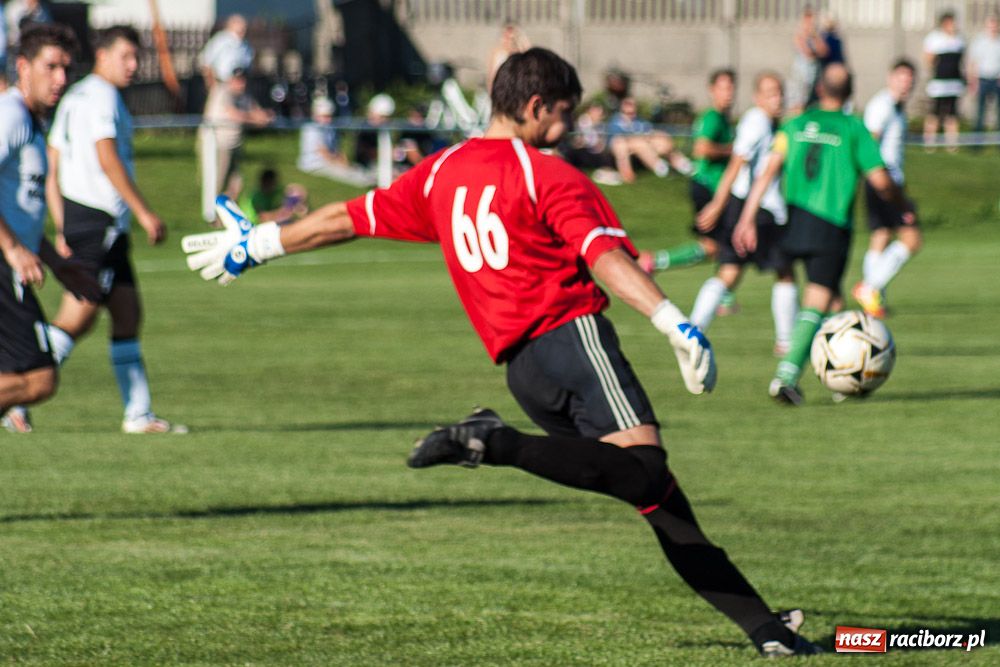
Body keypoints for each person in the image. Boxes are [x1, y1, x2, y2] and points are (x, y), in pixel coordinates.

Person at [183, 47, 820, 657]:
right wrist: (674, 321)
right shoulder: (545, 174)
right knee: (647, 475)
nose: (569, 128)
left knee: (658, 499)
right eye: (566, 113)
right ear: (537, 105)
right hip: (574, 342)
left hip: (523, 371)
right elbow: (604, 255)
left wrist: (262, 243)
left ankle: (765, 628)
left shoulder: (438, 171)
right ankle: (495, 441)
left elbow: (347, 219)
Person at [734, 64, 913, 405]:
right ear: (850, 92)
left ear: (820, 90)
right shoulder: (852, 128)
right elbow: (880, 180)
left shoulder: (795, 125)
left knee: (831, 301)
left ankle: (843, 378)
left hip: (794, 217)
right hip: (830, 225)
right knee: (817, 300)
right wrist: (901, 202)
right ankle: (785, 377)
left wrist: (746, 217)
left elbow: (767, 171)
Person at [44, 25, 185, 434]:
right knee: (78, 315)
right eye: (126, 56)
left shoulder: (74, 96)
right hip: (99, 218)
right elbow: (106, 157)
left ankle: (138, 415)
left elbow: (54, 165)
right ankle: (15, 390)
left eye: (136, 57)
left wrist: (59, 224)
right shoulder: (102, 97)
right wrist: (144, 212)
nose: (134, 65)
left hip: (85, 219)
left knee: (126, 312)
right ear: (102, 55)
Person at [1, 25, 100, 434]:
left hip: (10, 260)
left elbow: (19, 211)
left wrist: (59, 265)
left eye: (66, 68)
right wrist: (12, 249)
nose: (61, 78)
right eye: (51, 67)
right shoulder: (10, 115)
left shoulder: (30, 122)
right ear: (23, 66)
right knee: (37, 378)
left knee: (27, 377)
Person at [689, 72, 797, 356]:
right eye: (771, 93)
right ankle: (786, 341)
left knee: (730, 271)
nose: (778, 98)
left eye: (780, 92)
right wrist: (717, 204)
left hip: (748, 206)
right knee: (784, 272)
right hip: (758, 209)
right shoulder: (756, 122)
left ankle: (693, 330)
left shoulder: (768, 123)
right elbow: (736, 164)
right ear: (757, 97)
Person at [638, 70, 734, 273]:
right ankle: (655, 262)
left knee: (716, 246)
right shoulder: (712, 117)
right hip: (708, 186)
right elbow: (702, 148)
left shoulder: (721, 119)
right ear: (712, 90)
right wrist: (734, 149)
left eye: (732, 87)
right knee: (723, 244)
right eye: (724, 87)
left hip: (712, 187)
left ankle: (655, 262)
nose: (729, 93)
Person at [854, 59, 921, 318]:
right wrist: (881, 181)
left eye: (910, 79)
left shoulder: (897, 108)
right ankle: (869, 287)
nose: (906, 83)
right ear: (889, 78)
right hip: (883, 182)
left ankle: (873, 296)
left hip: (887, 181)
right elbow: (870, 142)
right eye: (901, 78)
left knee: (881, 235)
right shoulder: (881, 106)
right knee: (912, 239)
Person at [198, 66, 274, 222]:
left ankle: (226, 218)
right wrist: (256, 119)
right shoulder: (222, 92)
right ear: (231, 79)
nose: (241, 83)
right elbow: (235, 115)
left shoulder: (244, 96)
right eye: (238, 79)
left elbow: (257, 111)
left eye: (243, 79)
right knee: (218, 182)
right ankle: (213, 218)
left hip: (235, 144)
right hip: (218, 143)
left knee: (236, 184)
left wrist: (266, 116)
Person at [606, 96, 690, 184]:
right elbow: (617, 137)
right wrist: (642, 137)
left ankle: (680, 163)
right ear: (622, 106)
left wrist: (658, 135)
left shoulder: (639, 120)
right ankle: (661, 167)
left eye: (632, 105)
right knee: (639, 143)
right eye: (627, 104)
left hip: (644, 143)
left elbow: (649, 130)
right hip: (625, 145)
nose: (630, 107)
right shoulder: (616, 121)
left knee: (660, 138)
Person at [297, 96, 373, 187]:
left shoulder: (330, 128)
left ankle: (371, 179)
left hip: (328, 162)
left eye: (329, 116)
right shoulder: (311, 129)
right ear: (315, 115)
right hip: (315, 165)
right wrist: (339, 163)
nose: (328, 119)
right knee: (346, 173)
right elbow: (323, 152)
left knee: (356, 168)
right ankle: (367, 183)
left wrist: (343, 160)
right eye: (325, 116)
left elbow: (335, 150)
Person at [923, 11, 966, 151]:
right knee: (934, 113)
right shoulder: (934, 39)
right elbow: (929, 59)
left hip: (954, 83)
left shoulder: (959, 39)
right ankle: (930, 143)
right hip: (939, 83)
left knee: (952, 115)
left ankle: (951, 145)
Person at [788, 6, 828, 114]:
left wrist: (814, 36)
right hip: (801, 76)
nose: (810, 25)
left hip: (814, 75)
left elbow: (824, 51)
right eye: (808, 22)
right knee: (799, 101)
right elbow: (807, 52)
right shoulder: (799, 35)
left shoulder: (816, 36)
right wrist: (807, 36)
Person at [198, 14, 253, 91]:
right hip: (221, 84)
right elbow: (206, 62)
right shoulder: (220, 40)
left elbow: (248, 66)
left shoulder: (245, 45)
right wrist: (212, 83)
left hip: (239, 87)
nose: (243, 30)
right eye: (240, 28)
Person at [237, 168, 308, 225]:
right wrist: (285, 211)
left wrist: (297, 202)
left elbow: (297, 190)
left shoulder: (275, 191)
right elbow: (263, 218)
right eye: (270, 183)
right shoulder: (255, 197)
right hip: (252, 225)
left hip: (269, 223)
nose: (272, 185)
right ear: (263, 182)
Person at [968, 14, 1000, 136]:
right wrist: (973, 81)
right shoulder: (979, 42)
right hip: (982, 80)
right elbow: (973, 62)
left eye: (995, 26)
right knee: (980, 111)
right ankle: (977, 140)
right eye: (990, 26)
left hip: (997, 80)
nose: (992, 28)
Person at [486, 24, 530, 93]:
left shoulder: (518, 53)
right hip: (499, 88)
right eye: (506, 37)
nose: (508, 41)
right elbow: (491, 74)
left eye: (511, 38)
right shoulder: (497, 52)